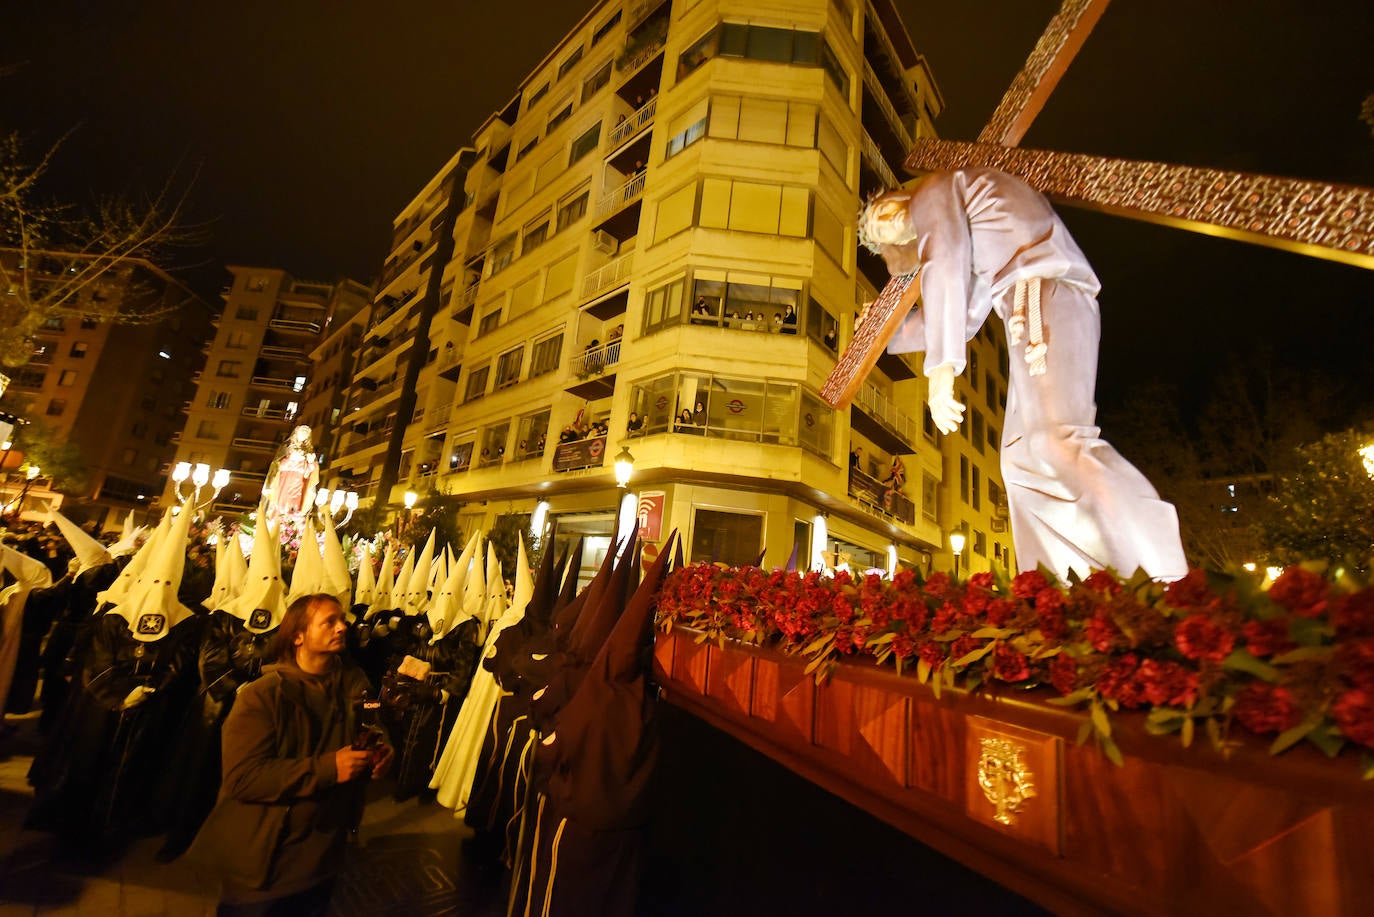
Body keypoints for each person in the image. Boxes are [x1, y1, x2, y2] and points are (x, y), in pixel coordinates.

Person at [857, 168, 1187, 582]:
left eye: (880, 213)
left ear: (895, 199)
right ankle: (1059, 586)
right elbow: (964, 311)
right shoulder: (972, 230)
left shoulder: (936, 191)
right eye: (878, 230)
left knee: (1056, 441)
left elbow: (943, 260)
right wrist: (885, 335)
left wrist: (942, 370)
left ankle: (1166, 573)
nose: (885, 222)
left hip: (1041, 294)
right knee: (1021, 460)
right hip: (1030, 302)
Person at [187, 593, 393, 916]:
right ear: (298, 635)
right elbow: (243, 778)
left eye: (343, 620)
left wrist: (382, 751)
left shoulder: (358, 685)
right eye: (329, 621)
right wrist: (328, 768)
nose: (342, 627)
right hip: (268, 864)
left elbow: (373, 723)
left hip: (325, 857)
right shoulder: (263, 696)